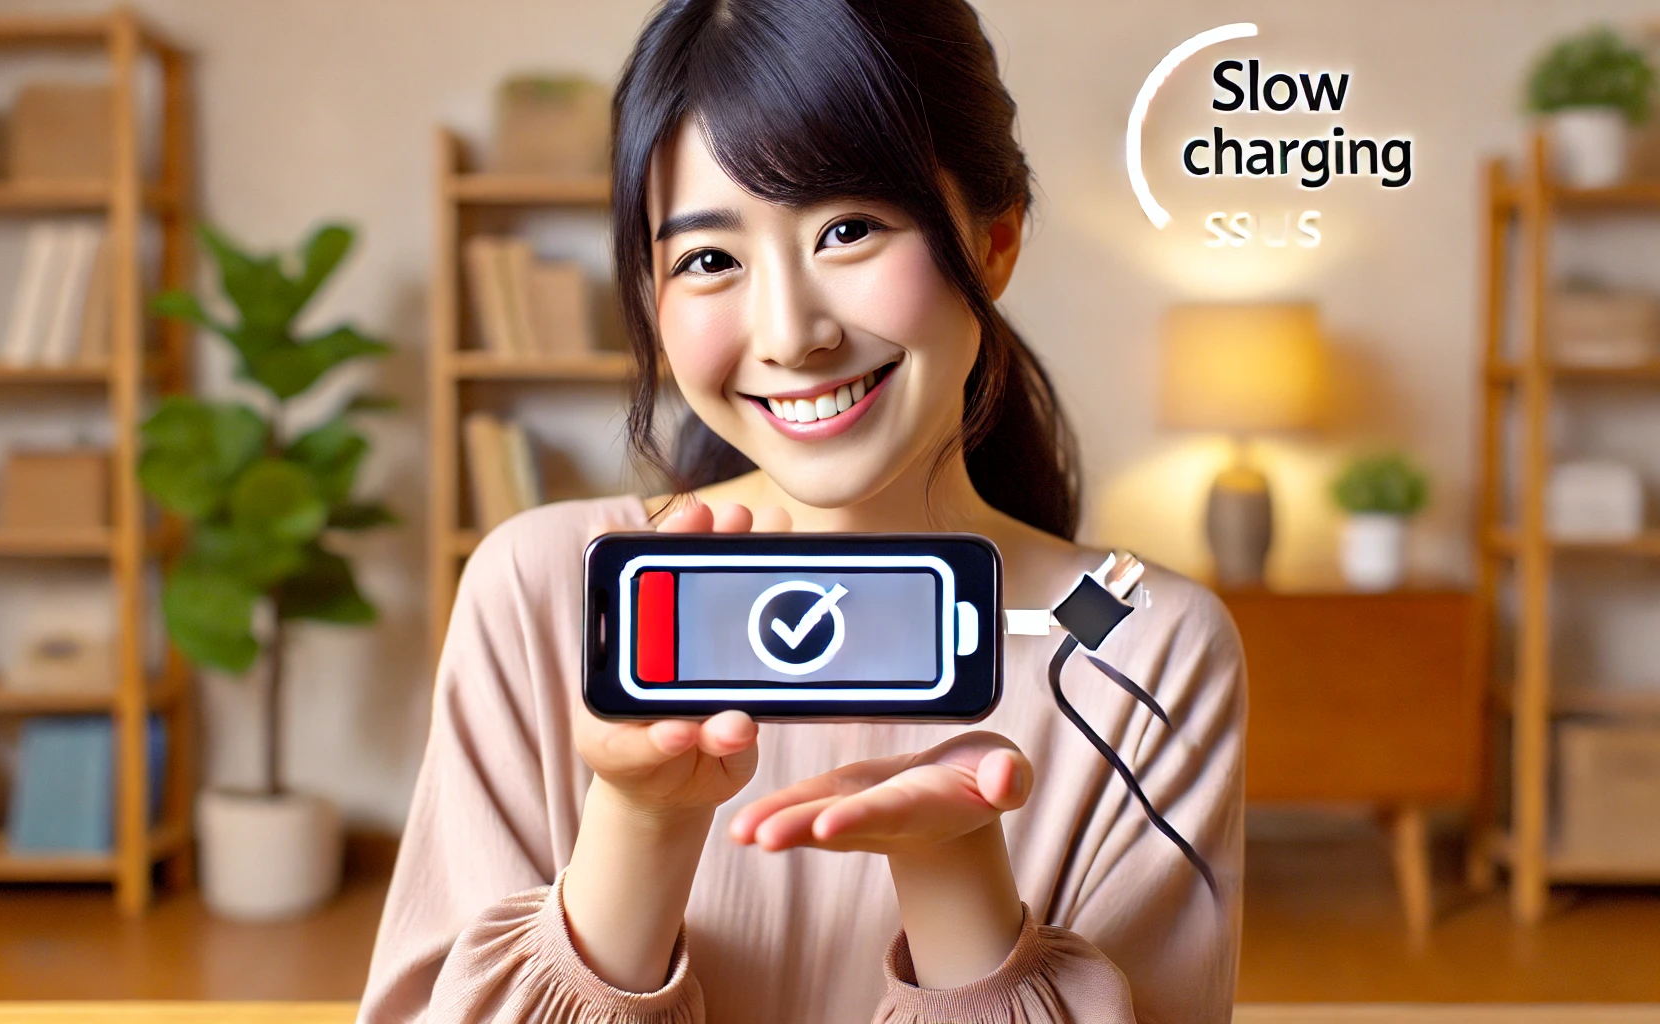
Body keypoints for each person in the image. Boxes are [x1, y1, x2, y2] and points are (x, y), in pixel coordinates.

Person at [361, 0, 1245, 1020]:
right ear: (651, 295)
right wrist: (642, 820)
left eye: (849, 228)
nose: (788, 333)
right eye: (707, 259)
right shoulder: (548, 591)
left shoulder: (1139, 642)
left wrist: (955, 870)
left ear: (993, 242)